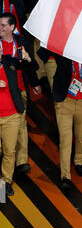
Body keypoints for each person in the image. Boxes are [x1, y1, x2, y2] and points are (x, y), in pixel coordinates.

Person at [0, 12, 38, 196]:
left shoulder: (13, 57)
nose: (0, 29)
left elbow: (31, 67)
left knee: (10, 149)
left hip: (13, 108)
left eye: (3, 25)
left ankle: (6, 182)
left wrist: (28, 59)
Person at [52, 54, 82, 190]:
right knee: (65, 140)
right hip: (65, 102)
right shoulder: (64, 55)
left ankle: (79, 161)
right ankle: (65, 175)